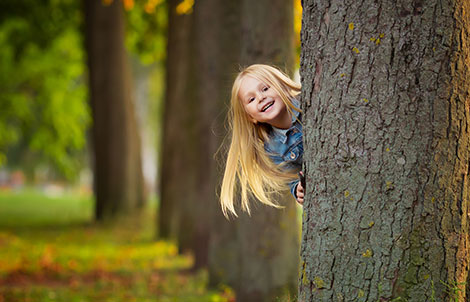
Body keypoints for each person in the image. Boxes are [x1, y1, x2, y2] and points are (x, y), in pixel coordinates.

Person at [220, 64, 304, 217]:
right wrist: (297, 189)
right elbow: (291, 177)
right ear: (250, 116)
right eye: (251, 99)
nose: (261, 97)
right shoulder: (272, 148)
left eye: (265, 89)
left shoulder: (307, 104)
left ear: (282, 87)